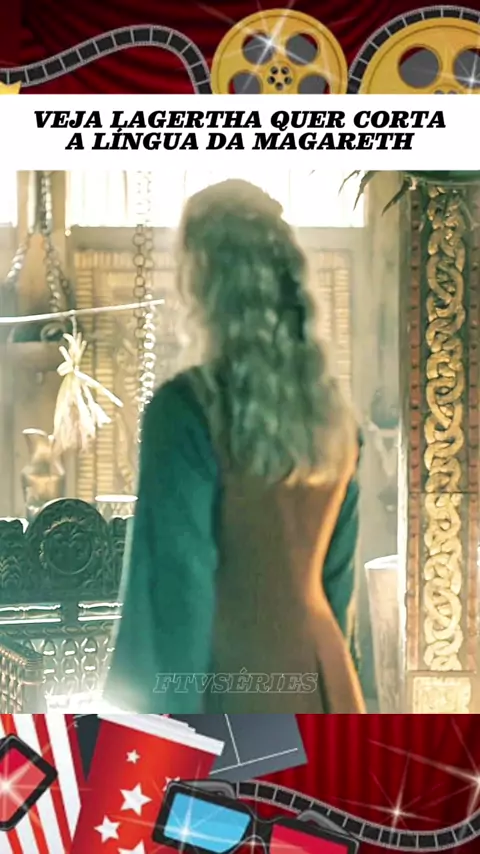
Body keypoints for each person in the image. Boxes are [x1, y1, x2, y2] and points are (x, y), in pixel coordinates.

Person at [104, 179, 366, 713]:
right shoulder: (334, 419)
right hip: (327, 682)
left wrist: (148, 733)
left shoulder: (187, 412)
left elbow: (174, 597)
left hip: (232, 686)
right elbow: (337, 588)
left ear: (201, 280)